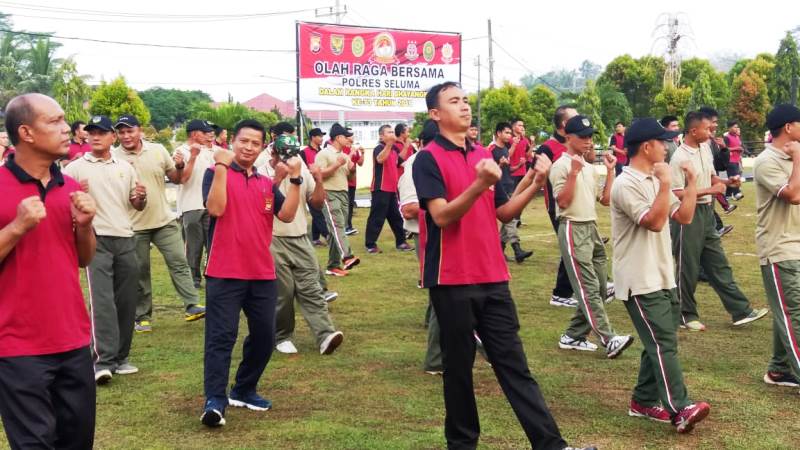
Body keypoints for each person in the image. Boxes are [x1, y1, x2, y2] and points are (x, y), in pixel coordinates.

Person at [414, 81, 595, 450]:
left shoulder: (481, 153)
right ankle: (462, 444)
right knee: (459, 371)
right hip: (451, 280)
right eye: (454, 102)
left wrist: (535, 182)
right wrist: (480, 183)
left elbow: (503, 212)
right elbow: (443, 216)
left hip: (493, 277)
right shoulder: (428, 158)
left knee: (515, 366)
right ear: (436, 113)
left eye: (465, 100)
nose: (464, 107)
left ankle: (551, 445)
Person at [0, 93, 97, 449]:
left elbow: (83, 259)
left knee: (76, 441)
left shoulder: (68, 187)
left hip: (72, 338)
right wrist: (16, 227)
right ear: (26, 132)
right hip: (16, 345)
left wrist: (84, 226)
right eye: (53, 121)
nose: (66, 129)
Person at [200, 119, 303, 427]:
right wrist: (220, 166)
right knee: (221, 337)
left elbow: (285, 214)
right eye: (243, 141)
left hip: (261, 273)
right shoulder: (214, 173)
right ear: (234, 141)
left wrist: (294, 180)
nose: (248, 147)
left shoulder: (264, 183)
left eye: (255, 143)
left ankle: (244, 388)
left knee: (264, 336)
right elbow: (215, 209)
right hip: (224, 271)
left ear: (262, 147)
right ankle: (215, 401)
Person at [610, 117, 711, 433]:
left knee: (659, 340)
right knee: (662, 341)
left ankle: (642, 400)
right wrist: (667, 183)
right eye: (662, 141)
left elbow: (684, 215)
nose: (667, 146)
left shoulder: (655, 179)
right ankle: (680, 408)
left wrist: (691, 183)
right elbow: (652, 222)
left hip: (662, 274)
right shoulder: (625, 184)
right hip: (639, 278)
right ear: (646, 146)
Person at [64, 114, 147, 384]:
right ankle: (102, 361)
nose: (95, 136)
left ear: (112, 137)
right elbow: (62, 204)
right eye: (91, 132)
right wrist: (76, 194)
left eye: (101, 132)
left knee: (126, 301)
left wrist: (140, 198)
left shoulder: (124, 166)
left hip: (125, 236)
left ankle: (121, 358)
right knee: (102, 301)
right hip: (95, 238)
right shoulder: (74, 169)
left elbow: (136, 205)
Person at [669, 111, 768, 331]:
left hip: (706, 213)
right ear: (694, 131)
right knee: (687, 267)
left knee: (718, 264)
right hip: (688, 215)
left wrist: (727, 182)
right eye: (707, 128)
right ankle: (685, 314)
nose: (712, 130)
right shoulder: (679, 157)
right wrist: (710, 189)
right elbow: (676, 193)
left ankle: (740, 310)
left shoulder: (705, 148)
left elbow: (712, 177)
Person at [550, 115, 633, 357]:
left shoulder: (587, 166)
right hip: (572, 227)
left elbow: (605, 200)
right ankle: (609, 338)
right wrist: (573, 173)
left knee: (598, 286)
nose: (588, 141)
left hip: (591, 228)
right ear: (568, 137)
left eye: (590, 136)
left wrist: (609, 172)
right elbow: (562, 203)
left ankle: (574, 335)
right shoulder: (561, 166)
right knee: (588, 288)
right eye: (583, 137)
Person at [113, 115, 205, 332]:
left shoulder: (158, 150)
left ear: (140, 131)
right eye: (122, 132)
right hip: (133, 226)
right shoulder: (114, 156)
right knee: (140, 270)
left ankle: (192, 305)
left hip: (164, 220)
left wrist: (181, 165)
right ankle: (142, 316)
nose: (126, 136)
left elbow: (175, 178)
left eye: (130, 131)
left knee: (178, 261)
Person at [260, 135, 344, 356]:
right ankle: (282, 335)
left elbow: (316, 203)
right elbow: (259, 205)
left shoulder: (301, 168)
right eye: (285, 154)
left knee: (312, 288)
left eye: (293, 153)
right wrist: (277, 178)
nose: (290, 159)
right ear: (274, 153)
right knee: (284, 293)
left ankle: (325, 334)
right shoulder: (262, 172)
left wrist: (318, 180)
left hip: (300, 237)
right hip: (273, 238)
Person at [754, 104, 800, 391]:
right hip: (779, 247)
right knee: (794, 312)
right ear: (788, 128)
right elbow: (793, 195)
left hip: (796, 243)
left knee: (786, 310)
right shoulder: (765, 161)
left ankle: (779, 369)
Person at [537, 105, 580, 308]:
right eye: (575, 118)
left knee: (577, 246)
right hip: (558, 206)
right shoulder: (547, 148)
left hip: (578, 202)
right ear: (564, 124)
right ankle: (561, 293)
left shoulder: (575, 143)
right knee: (570, 247)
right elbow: (535, 177)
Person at [175, 119, 216, 289]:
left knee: (212, 244)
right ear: (194, 134)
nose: (208, 135)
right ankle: (193, 279)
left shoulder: (210, 151)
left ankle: (212, 275)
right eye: (204, 132)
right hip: (190, 205)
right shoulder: (180, 151)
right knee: (193, 246)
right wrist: (192, 156)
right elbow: (183, 178)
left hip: (208, 205)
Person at [315, 123, 360, 276]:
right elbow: (319, 174)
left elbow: (349, 176)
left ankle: (333, 266)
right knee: (338, 225)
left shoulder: (344, 155)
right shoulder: (324, 154)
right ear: (338, 137)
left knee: (336, 228)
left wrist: (353, 169)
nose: (349, 140)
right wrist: (336, 164)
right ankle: (347, 257)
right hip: (329, 193)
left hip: (343, 193)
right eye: (346, 137)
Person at [487, 121, 533, 262]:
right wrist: (500, 165)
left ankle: (499, 249)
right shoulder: (491, 149)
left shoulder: (505, 149)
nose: (509, 136)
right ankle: (516, 247)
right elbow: (489, 170)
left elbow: (510, 169)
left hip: (509, 184)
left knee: (508, 220)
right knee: (511, 219)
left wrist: (519, 164)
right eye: (506, 133)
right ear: (498, 133)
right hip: (498, 188)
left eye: (509, 133)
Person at [365, 124, 413, 253]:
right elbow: (380, 159)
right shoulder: (379, 148)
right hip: (380, 188)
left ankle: (401, 242)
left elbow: (400, 162)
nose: (392, 134)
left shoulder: (393, 149)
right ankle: (370, 244)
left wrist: (408, 147)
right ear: (381, 136)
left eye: (392, 132)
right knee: (377, 218)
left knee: (396, 217)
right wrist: (389, 145)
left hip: (392, 189)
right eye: (389, 132)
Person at [301, 128, 331, 245]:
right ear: (312, 137)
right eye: (319, 136)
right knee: (317, 212)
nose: (321, 138)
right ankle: (327, 235)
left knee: (318, 212)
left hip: (321, 185)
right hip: (309, 186)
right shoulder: (304, 152)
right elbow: (302, 170)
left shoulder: (323, 151)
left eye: (322, 136)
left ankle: (315, 238)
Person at [343, 133, 364, 235]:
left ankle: (349, 226)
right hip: (343, 181)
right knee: (344, 204)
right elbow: (343, 161)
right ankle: (344, 227)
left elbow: (360, 163)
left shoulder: (354, 149)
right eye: (350, 135)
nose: (353, 137)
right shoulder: (343, 149)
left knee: (350, 204)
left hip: (352, 181)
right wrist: (351, 153)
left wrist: (362, 153)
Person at [724, 120, 745, 200]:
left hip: (736, 160)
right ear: (729, 128)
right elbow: (725, 149)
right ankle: (736, 193)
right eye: (735, 127)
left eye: (737, 127)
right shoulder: (726, 137)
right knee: (735, 177)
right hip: (730, 160)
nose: (736, 129)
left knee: (732, 178)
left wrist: (742, 150)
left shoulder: (737, 137)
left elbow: (741, 146)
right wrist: (736, 148)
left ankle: (728, 195)